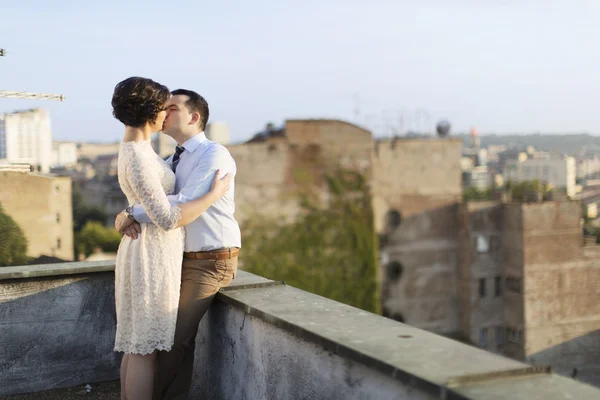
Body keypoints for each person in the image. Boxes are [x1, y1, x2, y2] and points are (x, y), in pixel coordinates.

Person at [115, 88, 242, 400]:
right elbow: (159, 200)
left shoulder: (214, 154)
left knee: (173, 341)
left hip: (210, 260)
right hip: (180, 259)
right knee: (154, 342)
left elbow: (181, 205)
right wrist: (127, 213)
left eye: (172, 107)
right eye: (163, 107)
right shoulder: (172, 159)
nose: (164, 111)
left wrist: (130, 213)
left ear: (194, 117)